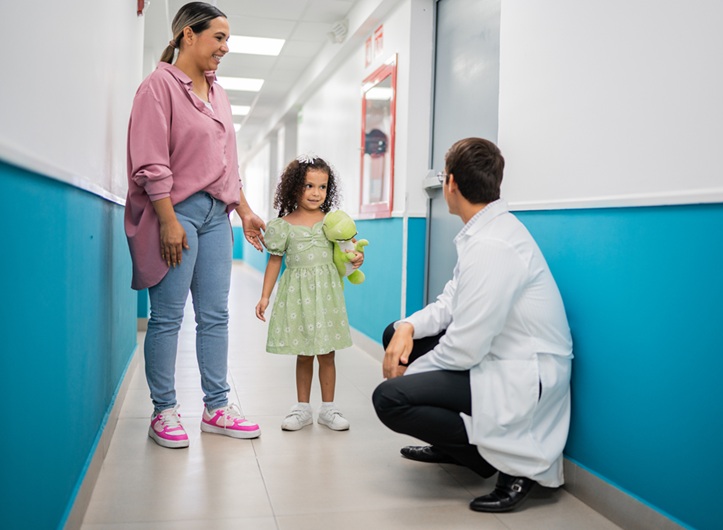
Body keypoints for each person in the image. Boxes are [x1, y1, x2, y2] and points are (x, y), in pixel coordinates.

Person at [372, 137, 573, 512]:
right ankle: (457, 449)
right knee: (394, 335)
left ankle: (503, 465)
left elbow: (467, 346)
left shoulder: (493, 245)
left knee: (390, 398)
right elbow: (451, 301)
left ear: (450, 183)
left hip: (524, 375)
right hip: (496, 355)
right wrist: (406, 327)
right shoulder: (483, 231)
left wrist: (409, 375)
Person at [125, 2, 264, 449]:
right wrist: (166, 220)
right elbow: (150, 161)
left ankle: (216, 407)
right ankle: (164, 411)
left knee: (215, 315)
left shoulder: (218, 92)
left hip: (216, 216)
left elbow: (226, 163)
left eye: (227, 39)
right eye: (218, 37)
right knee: (167, 317)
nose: (226, 47)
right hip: (177, 212)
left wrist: (244, 211)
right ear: (188, 34)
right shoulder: (158, 86)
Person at [255, 155, 362, 431]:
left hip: (327, 296)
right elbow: (275, 261)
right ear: (294, 187)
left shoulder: (332, 223)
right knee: (303, 352)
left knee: (327, 352)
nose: (316, 193)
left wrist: (356, 259)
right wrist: (265, 296)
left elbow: (347, 254)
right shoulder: (283, 225)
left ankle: (329, 408)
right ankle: (302, 408)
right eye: (309, 186)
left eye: (322, 187)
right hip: (298, 297)